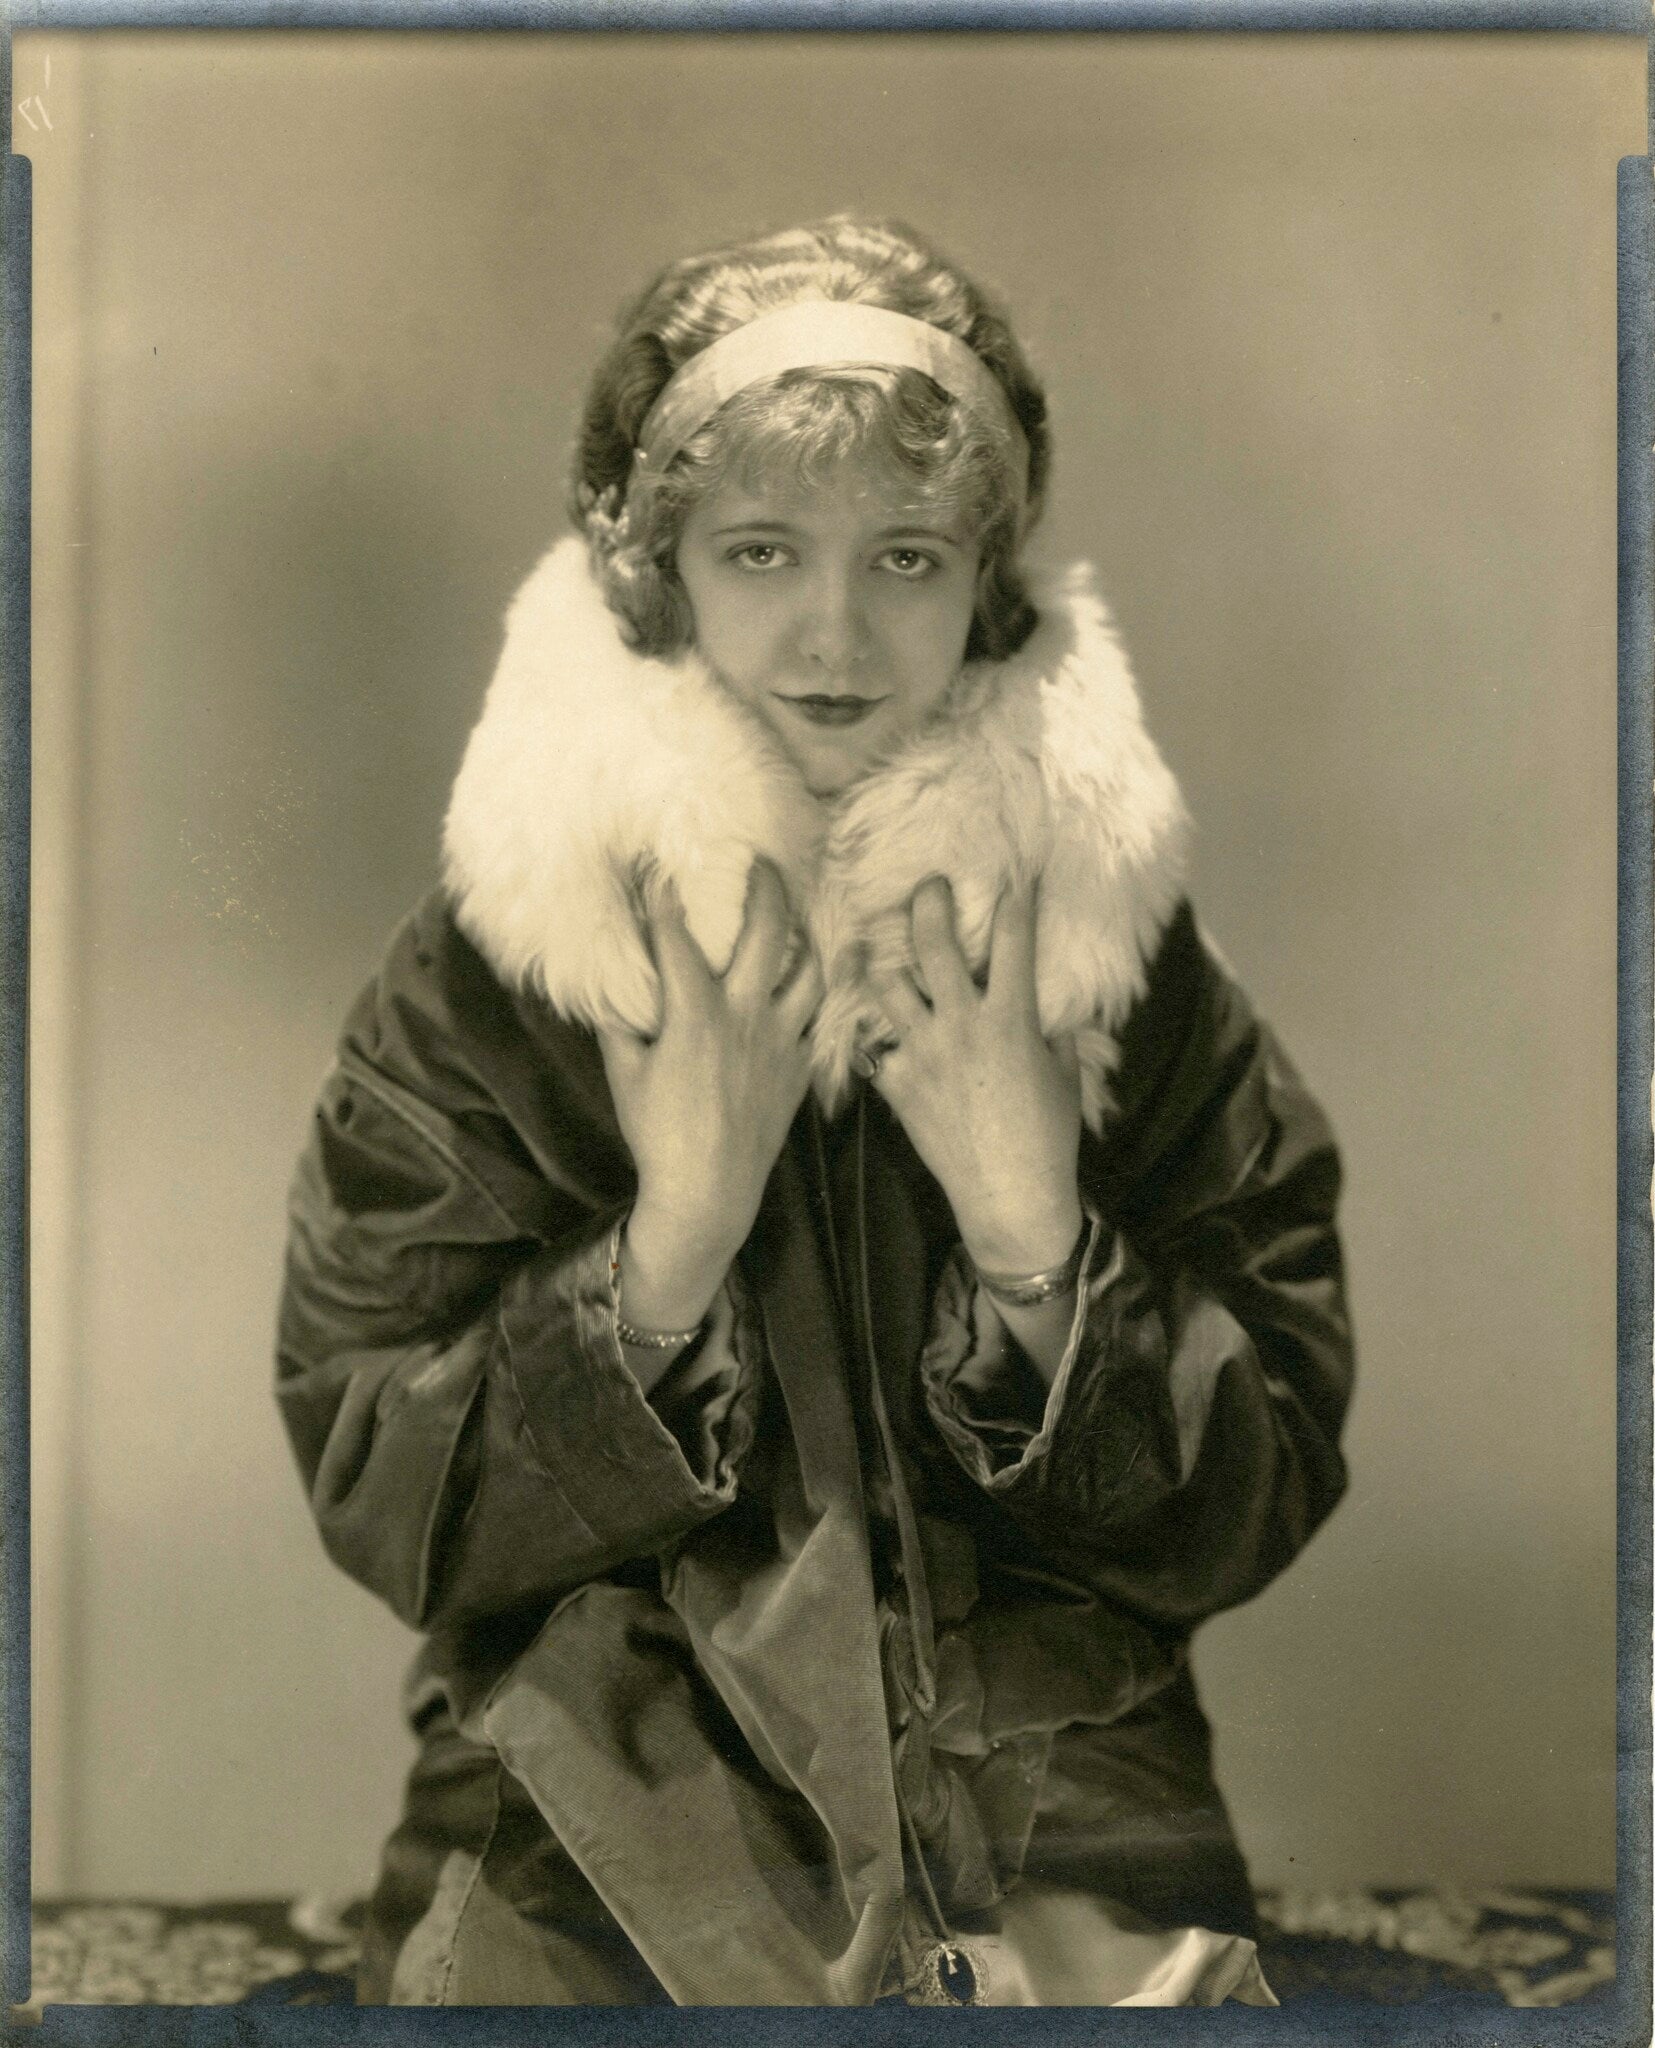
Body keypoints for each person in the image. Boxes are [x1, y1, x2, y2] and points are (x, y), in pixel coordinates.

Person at [276, 215, 1354, 2008]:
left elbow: (1267, 1473)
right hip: (594, 1806)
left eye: (906, 557)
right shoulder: (504, 971)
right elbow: (380, 1479)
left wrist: (1030, 1231)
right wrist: (672, 1244)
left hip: (1057, 1790)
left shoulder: (1101, 959)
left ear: (986, 584)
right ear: (656, 575)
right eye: (761, 550)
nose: (835, 632)